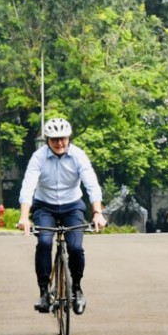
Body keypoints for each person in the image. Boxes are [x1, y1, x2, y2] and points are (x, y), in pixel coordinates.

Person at [17, 117, 106, 315]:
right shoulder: (38, 157)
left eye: (63, 138)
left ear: (69, 138)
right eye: (54, 139)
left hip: (72, 206)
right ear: (47, 140)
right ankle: (44, 291)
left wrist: (97, 213)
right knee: (44, 243)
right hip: (45, 207)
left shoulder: (78, 156)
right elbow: (28, 186)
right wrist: (24, 216)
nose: (59, 143)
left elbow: (92, 184)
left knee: (75, 248)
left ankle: (77, 289)